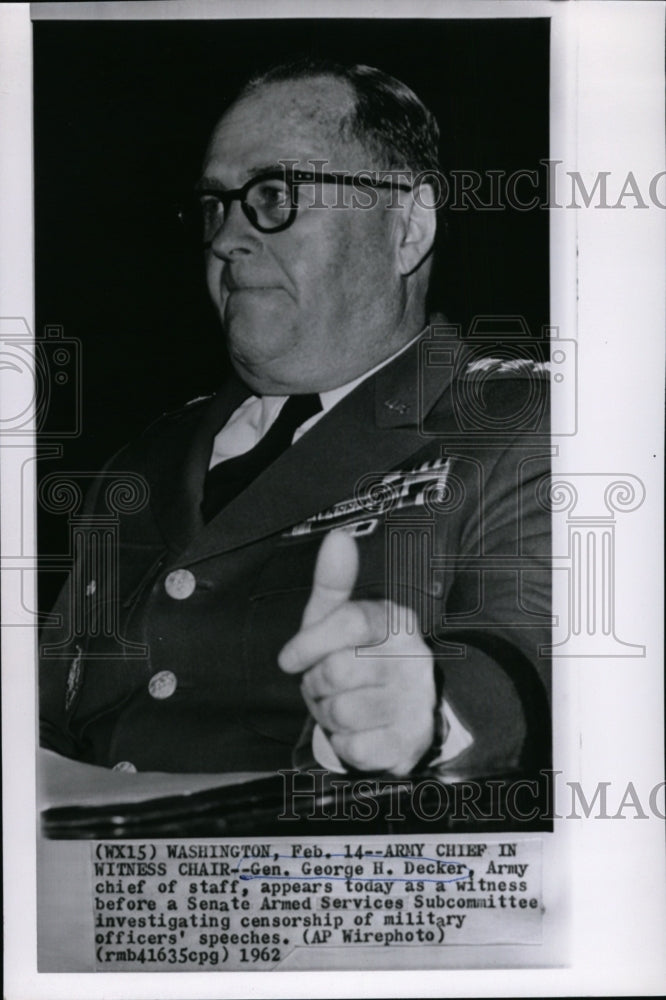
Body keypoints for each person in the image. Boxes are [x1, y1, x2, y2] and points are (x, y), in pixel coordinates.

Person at [39, 59, 551, 781]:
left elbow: (541, 652)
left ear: (407, 227)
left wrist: (432, 711)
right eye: (215, 205)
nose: (225, 239)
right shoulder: (143, 461)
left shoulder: (526, 426)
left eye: (274, 195)